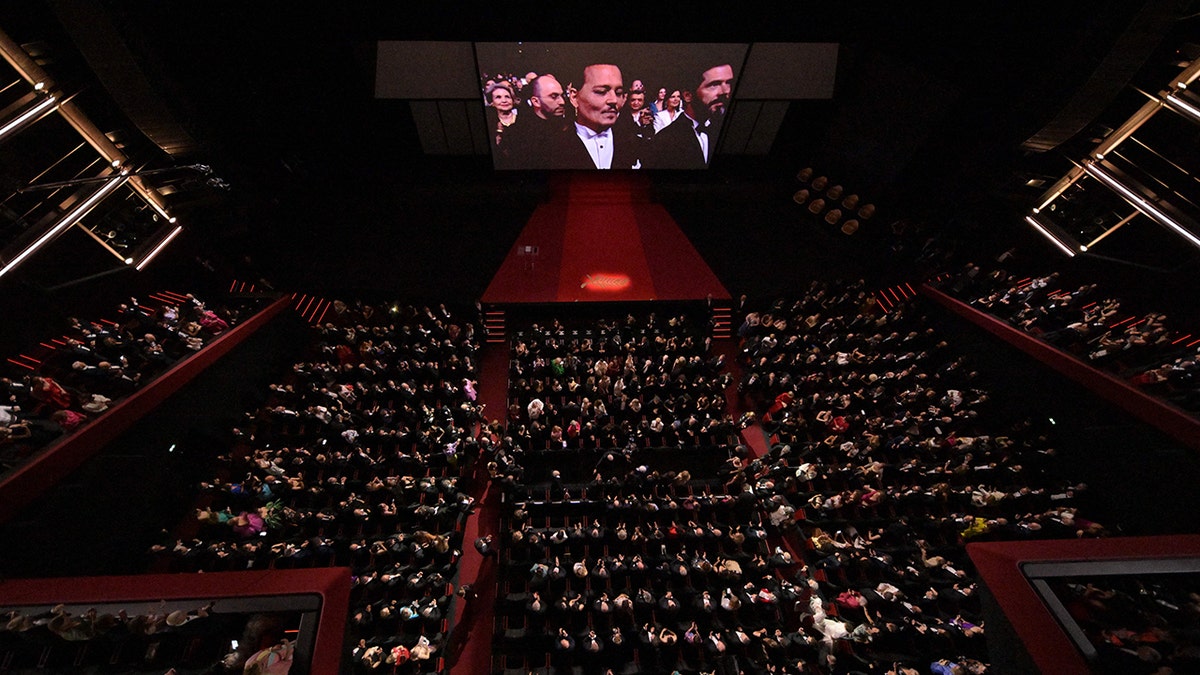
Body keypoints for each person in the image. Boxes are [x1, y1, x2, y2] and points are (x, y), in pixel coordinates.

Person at [551, 64, 640, 170]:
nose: (613, 100)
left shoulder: (635, 144)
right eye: (601, 92)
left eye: (618, 93)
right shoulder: (552, 149)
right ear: (574, 97)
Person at [648, 63, 734, 169]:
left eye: (729, 83)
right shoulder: (665, 140)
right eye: (714, 85)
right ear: (687, 96)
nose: (726, 91)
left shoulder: (727, 130)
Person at [498, 74, 567, 169]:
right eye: (554, 96)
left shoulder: (568, 128)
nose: (562, 101)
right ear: (536, 101)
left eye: (562, 95)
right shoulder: (517, 134)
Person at [484, 81, 518, 149]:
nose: (504, 100)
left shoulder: (525, 120)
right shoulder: (490, 124)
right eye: (498, 97)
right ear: (492, 102)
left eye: (507, 97)